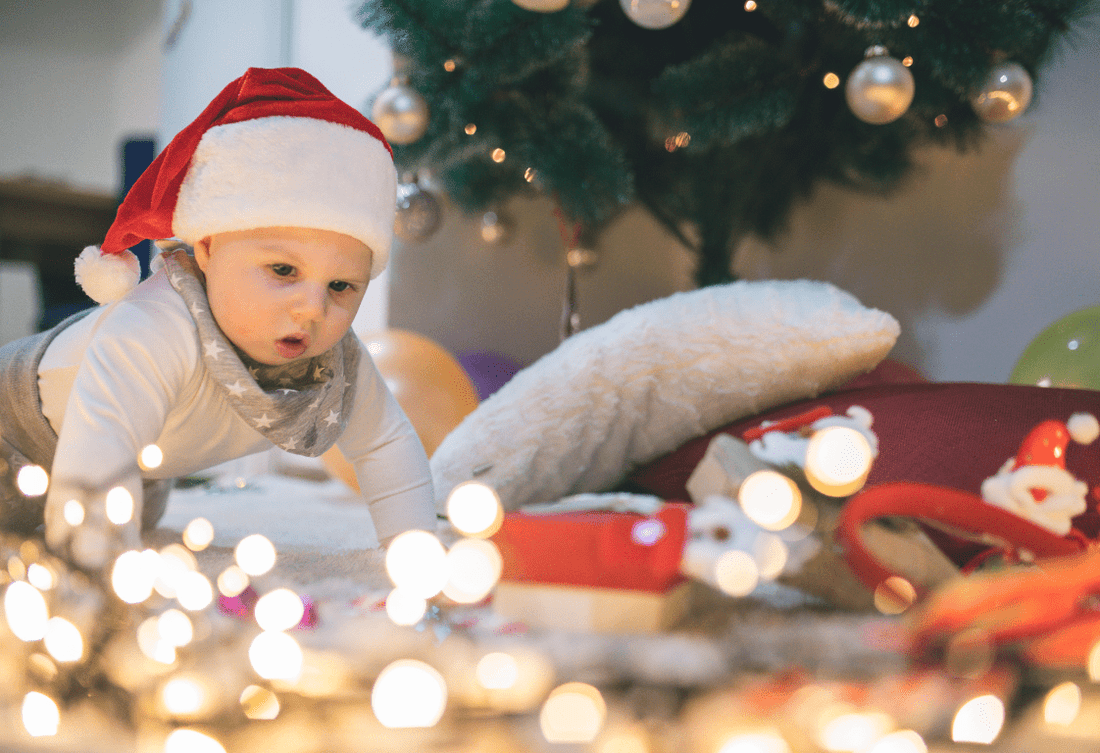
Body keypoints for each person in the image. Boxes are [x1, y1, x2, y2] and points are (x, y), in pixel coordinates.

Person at [0, 67, 437, 568]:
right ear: (206, 249)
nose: (313, 309)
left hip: (140, 466)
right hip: (17, 427)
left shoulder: (336, 361)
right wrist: (96, 576)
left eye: (341, 286)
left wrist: (416, 555)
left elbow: (386, 444)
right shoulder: (155, 326)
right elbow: (104, 438)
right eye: (283, 270)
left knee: (137, 513)